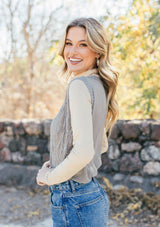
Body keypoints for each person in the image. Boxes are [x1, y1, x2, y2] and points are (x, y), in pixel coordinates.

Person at [36, 17, 119, 227]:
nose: (72, 52)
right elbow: (99, 145)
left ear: (97, 51)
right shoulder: (98, 85)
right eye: (68, 43)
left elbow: (83, 152)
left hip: (73, 199)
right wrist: (56, 162)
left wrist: (50, 176)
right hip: (89, 196)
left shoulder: (79, 85)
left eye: (83, 44)